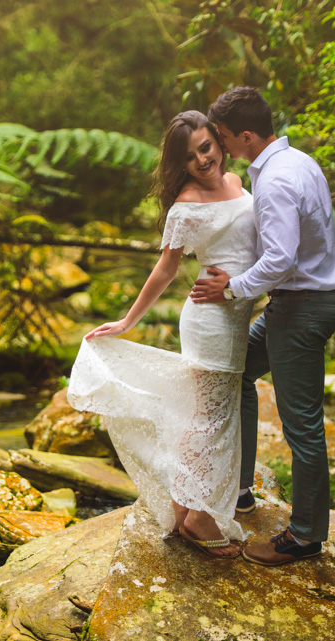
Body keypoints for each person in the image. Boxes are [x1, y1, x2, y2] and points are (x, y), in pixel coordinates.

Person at [66, 110, 257, 559]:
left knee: (211, 415)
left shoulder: (237, 183)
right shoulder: (186, 205)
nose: (202, 160)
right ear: (180, 165)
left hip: (234, 315)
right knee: (212, 419)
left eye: (206, 147)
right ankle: (197, 517)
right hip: (211, 320)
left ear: (219, 142)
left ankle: (184, 502)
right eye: (190, 157)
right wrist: (128, 322)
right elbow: (166, 268)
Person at [190, 86, 335, 566]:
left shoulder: (276, 180)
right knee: (239, 375)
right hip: (297, 306)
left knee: (303, 428)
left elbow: (279, 260)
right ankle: (239, 490)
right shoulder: (298, 161)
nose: (221, 146)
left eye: (224, 137)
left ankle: (304, 536)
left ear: (247, 135)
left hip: (301, 310)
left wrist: (231, 287)